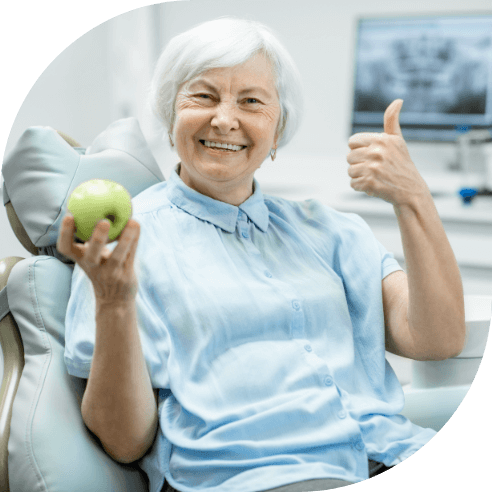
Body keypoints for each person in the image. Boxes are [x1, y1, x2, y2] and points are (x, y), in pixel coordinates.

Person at [58, 16, 466, 492]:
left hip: (391, 448)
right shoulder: (124, 248)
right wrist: (114, 302)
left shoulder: (330, 229)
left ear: (279, 129)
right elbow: (124, 442)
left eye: (251, 101)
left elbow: (436, 338)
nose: (225, 118)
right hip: (262, 477)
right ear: (171, 116)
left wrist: (413, 198)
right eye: (203, 96)